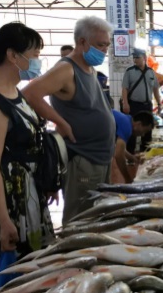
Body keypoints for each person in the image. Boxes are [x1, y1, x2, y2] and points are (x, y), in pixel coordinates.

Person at [0, 22, 55, 268]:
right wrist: (5, 221)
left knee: (36, 266)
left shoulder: (13, 91)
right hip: (9, 201)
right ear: (12, 55)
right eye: (35, 55)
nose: (38, 61)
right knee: (17, 272)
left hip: (28, 192)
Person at [22, 16, 115, 224]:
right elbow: (30, 93)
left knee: (96, 216)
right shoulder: (66, 69)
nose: (104, 51)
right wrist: (61, 123)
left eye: (107, 45)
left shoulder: (88, 69)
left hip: (98, 156)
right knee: (80, 219)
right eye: (100, 45)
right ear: (82, 42)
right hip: (83, 157)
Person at [121, 48, 161, 152]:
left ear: (144, 58)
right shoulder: (129, 72)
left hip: (147, 105)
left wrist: (159, 104)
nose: (135, 60)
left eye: (137, 58)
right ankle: (130, 154)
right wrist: (125, 103)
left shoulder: (151, 72)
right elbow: (124, 88)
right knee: (132, 130)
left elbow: (156, 89)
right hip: (134, 105)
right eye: (134, 58)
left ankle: (145, 153)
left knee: (147, 130)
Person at [112, 110, 155, 183]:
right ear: (139, 124)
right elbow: (119, 155)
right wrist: (128, 179)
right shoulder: (127, 126)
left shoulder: (126, 120)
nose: (143, 135)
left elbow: (118, 148)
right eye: (144, 131)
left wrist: (132, 157)